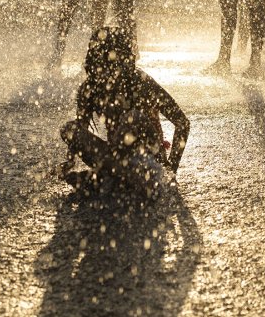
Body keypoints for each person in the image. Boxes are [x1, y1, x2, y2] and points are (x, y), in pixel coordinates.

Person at [59, 27, 190, 196]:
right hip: (113, 160)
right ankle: (114, 178)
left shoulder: (140, 81)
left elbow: (182, 123)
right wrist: (69, 162)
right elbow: (80, 130)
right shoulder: (90, 88)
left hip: (148, 161)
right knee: (69, 129)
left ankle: (106, 179)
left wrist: (171, 171)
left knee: (132, 118)